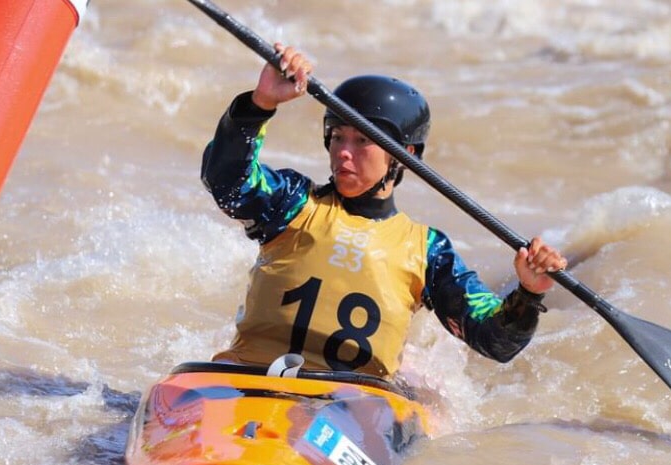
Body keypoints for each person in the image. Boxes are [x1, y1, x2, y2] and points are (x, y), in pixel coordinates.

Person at [201, 43, 567, 378]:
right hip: (247, 379)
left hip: (349, 405)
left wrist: (528, 294)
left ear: (404, 155)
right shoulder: (293, 204)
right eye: (338, 135)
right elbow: (226, 180)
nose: (344, 151)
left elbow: (494, 341)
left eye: (363, 140)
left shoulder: (427, 251)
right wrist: (261, 103)